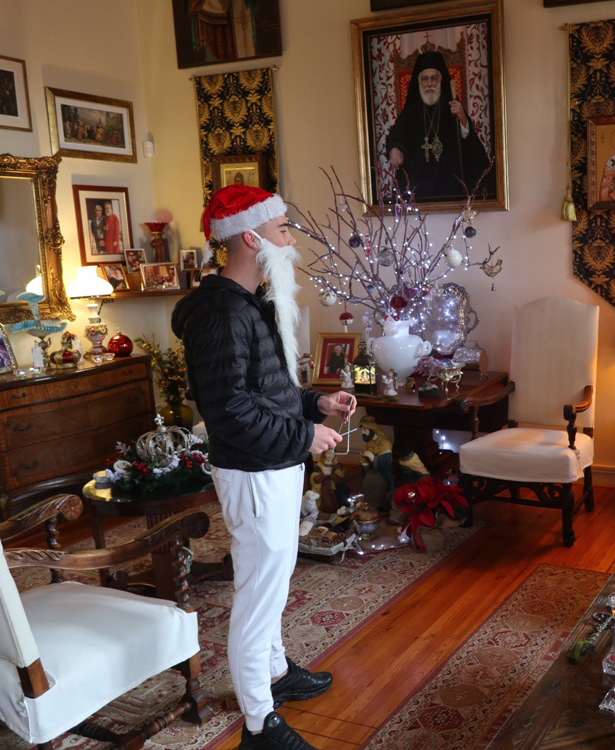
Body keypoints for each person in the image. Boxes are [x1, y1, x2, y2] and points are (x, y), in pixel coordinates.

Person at [172, 184, 357, 750]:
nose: (290, 239)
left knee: (272, 587)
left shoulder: (249, 302)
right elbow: (229, 412)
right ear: (251, 239)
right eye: (282, 230)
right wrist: (305, 436)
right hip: (254, 472)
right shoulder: (223, 313)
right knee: (258, 597)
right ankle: (258, 724)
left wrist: (316, 404)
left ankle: (275, 673)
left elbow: (266, 393)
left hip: (273, 464)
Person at [385, 49, 492, 199]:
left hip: (450, 183)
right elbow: (395, 137)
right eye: (425, 79)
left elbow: (469, 143)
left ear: (440, 81)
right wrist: (394, 148)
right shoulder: (410, 112)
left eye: (433, 78)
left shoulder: (453, 107)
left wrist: (462, 117)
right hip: (417, 186)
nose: (429, 84)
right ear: (419, 82)